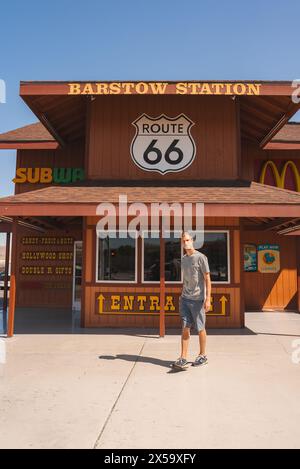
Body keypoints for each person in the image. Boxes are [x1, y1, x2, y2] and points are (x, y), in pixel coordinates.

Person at [171, 231, 211, 370]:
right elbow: (187, 279)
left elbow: (207, 279)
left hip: (198, 299)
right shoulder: (184, 259)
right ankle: (183, 357)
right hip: (185, 299)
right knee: (185, 328)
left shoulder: (201, 258)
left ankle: (202, 355)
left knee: (200, 328)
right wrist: (182, 294)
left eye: (188, 240)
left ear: (193, 241)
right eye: (183, 241)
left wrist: (208, 299)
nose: (186, 243)